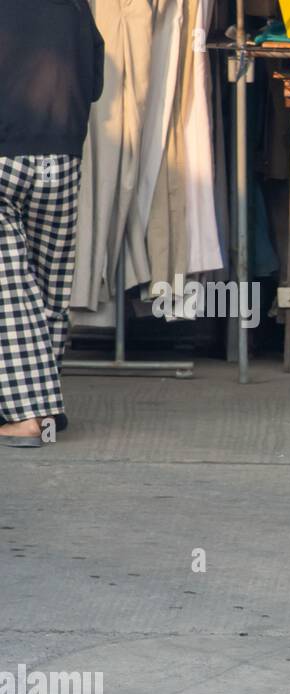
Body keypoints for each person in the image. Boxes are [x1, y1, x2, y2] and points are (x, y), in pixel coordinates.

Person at [0, 0, 104, 448]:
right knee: (48, 286)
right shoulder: (74, 5)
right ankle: (47, 407)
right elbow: (95, 83)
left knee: (9, 288)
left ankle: (27, 415)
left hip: (3, 152)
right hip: (61, 156)